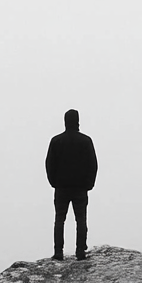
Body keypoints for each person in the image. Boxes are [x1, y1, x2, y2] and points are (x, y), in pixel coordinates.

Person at [45, 109, 97, 260]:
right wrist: (89, 184)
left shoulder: (56, 141)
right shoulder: (86, 141)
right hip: (80, 188)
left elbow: (49, 164)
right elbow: (92, 164)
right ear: (77, 121)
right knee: (81, 219)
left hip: (61, 187)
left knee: (59, 219)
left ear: (65, 121)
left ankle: (58, 252)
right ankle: (80, 251)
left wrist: (54, 182)